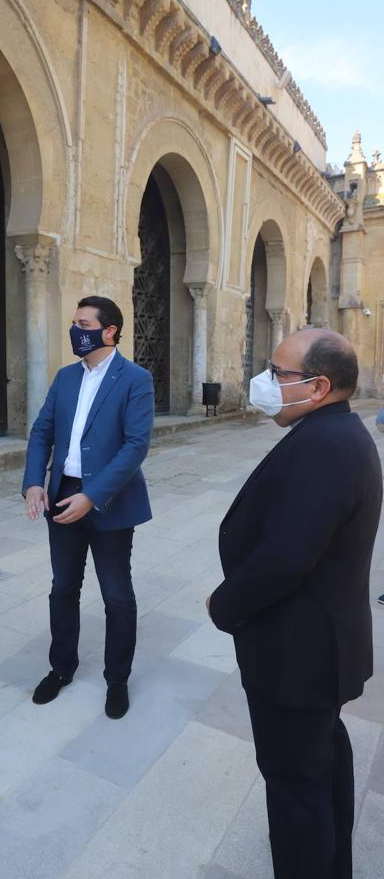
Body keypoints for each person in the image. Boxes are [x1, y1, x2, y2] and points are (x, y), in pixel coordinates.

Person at [208, 329, 382, 879]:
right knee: (320, 759)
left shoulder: (327, 446)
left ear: (320, 385)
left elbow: (285, 559)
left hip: (297, 656)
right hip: (315, 648)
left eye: (279, 373)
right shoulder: (332, 431)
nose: (266, 382)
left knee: (294, 787)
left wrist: (223, 604)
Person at [23, 296, 154, 719]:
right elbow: (42, 432)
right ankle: (61, 668)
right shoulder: (65, 378)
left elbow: (136, 446)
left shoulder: (135, 379)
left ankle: (117, 678)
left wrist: (93, 495)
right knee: (63, 588)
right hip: (62, 493)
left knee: (116, 594)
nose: (75, 329)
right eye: (74, 321)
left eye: (83, 323)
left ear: (109, 331)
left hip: (108, 501)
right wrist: (32, 483)